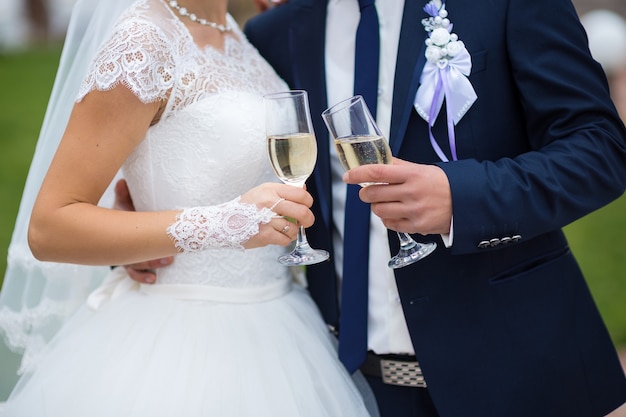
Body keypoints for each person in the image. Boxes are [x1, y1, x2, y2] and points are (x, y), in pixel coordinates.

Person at [120, 0, 626, 415]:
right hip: (346, 387)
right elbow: (224, 150)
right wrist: (143, 224)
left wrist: (461, 197)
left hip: (514, 372)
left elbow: (600, 149)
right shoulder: (276, 32)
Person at [0, 0, 378, 415]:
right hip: (178, 339)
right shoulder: (142, 42)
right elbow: (50, 227)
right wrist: (224, 225)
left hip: (279, 324)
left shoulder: (241, 33)